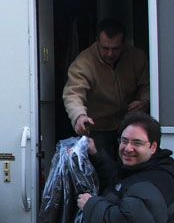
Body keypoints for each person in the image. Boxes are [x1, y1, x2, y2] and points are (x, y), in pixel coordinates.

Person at [63, 18, 150, 158]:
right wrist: (79, 115)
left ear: (124, 44)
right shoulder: (84, 62)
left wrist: (145, 101)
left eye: (115, 48)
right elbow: (73, 93)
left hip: (129, 125)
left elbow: (148, 84)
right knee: (101, 168)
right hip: (98, 127)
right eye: (105, 48)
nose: (110, 54)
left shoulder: (137, 57)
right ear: (97, 41)